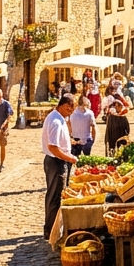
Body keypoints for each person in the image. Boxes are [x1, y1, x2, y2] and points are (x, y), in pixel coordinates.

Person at [41, 95, 77, 240]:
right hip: (56, 162)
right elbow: (53, 147)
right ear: (62, 105)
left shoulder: (58, 118)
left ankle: (53, 229)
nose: (70, 112)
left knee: (55, 195)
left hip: (57, 160)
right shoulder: (55, 120)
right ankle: (51, 231)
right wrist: (71, 158)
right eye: (69, 109)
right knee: (55, 197)